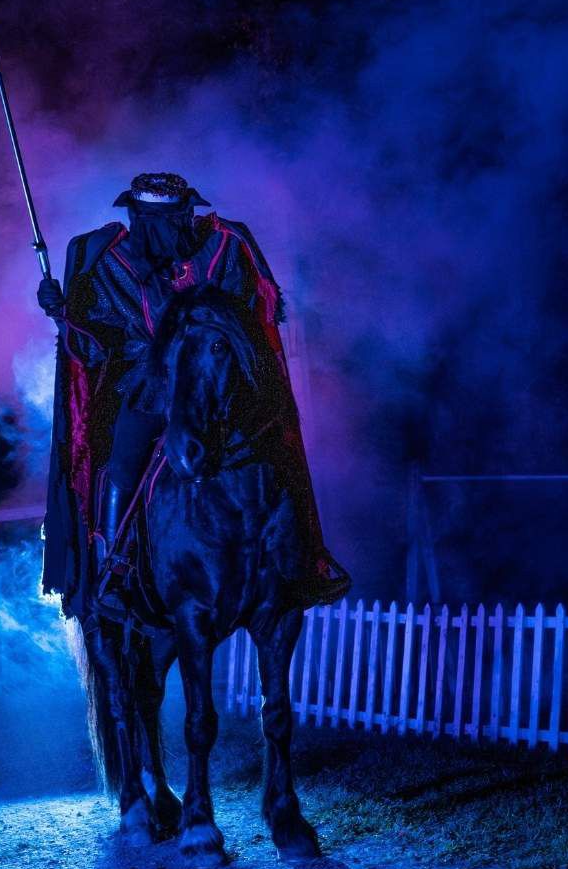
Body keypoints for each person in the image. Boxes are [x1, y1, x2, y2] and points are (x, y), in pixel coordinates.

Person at [40, 172, 349, 624]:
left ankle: (299, 559)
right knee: (123, 460)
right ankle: (116, 564)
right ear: (137, 217)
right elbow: (95, 344)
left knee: (270, 450)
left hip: (215, 382)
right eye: (154, 219)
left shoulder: (222, 248)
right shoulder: (109, 262)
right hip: (149, 384)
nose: (170, 227)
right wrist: (61, 311)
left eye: (177, 216)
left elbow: (254, 312)